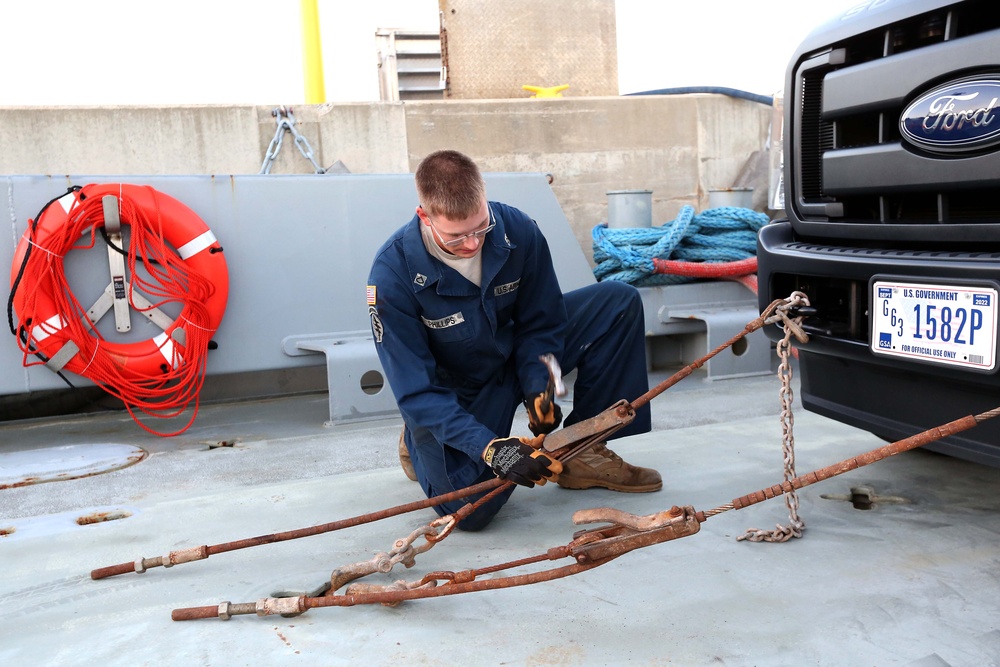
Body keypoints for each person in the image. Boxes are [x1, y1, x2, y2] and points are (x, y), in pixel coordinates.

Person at [367, 149, 660, 531]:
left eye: (480, 228)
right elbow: (416, 391)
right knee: (471, 511)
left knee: (617, 302)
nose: (473, 244)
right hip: (456, 392)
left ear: (484, 197)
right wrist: (490, 449)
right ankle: (419, 442)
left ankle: (582, 450)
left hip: (511, 355)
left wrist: (541, 386)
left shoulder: (517, 231)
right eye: (456, 237)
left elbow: (543, 324)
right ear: (425, 216)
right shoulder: (391, 277)